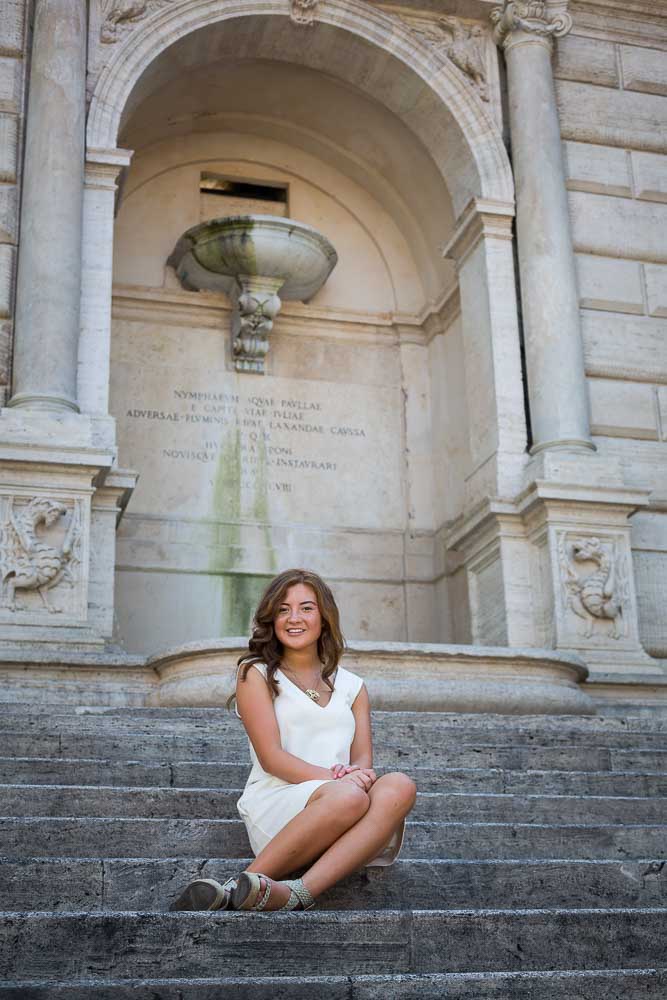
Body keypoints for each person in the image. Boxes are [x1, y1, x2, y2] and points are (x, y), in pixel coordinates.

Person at [170, 568, 417, 912]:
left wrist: (352, 779)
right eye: (283, 609)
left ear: (324, 617)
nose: (294, 618)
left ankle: (297, 893)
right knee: (350, 796)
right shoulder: (255, 674)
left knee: (400, 785)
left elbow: (362, 762)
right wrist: (339, 781)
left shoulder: (353, 687)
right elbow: (272, 758)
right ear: (272, 619)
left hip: (344, 801)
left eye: (306, 608)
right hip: (279, 799)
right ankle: (240, 884)